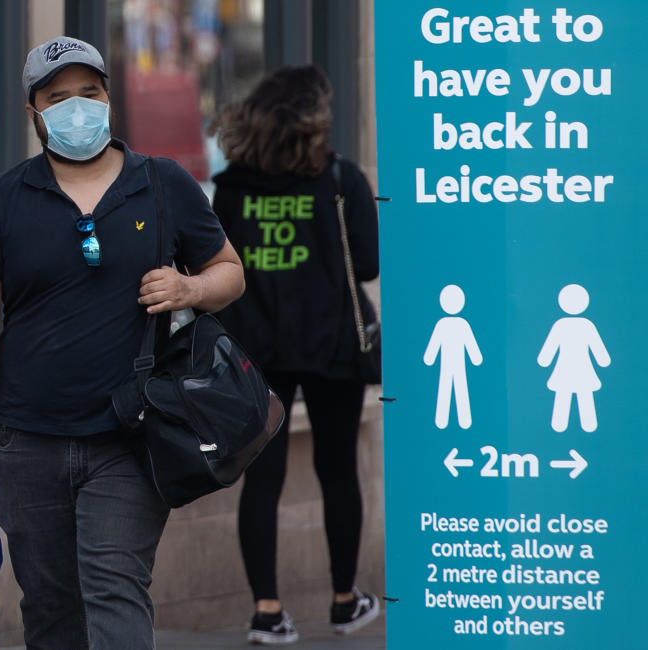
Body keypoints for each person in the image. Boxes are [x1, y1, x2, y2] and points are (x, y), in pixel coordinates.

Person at [0, 36, 244, 650]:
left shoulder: (162, 184)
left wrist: (188, 288)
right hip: (28, 441)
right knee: (50, 608)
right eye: (59, 97)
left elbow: (230, 273)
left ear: (109, 100)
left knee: (115, 587)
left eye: (90, 93)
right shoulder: (0, 201)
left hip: (130, 435)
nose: (78, 107)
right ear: (34, 112)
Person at [208, 65, 380, 642]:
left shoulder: (231, 188)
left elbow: (212, 261)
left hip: (256, 349)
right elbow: (370, 264)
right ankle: (342, 600)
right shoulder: (341, 178)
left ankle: (267, 611)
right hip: (332, 346)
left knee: (262, 478)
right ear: (314, 121)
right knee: (338, 470)